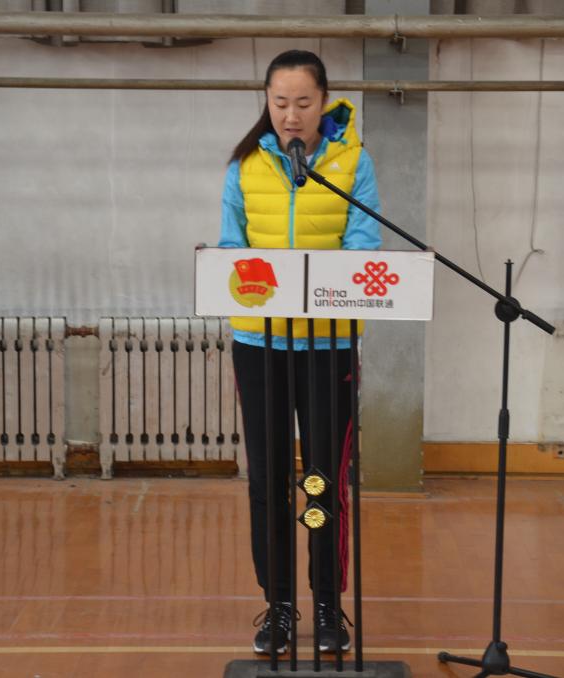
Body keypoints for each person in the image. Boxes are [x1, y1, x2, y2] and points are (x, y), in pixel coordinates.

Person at [218, 49, 381, 655]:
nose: (291, 115)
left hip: (326, 345)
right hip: (259, 344)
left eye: (303, 103)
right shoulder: (245, 166)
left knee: (322, 481)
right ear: (266, 102)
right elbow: (232, 249)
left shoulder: (352, 162)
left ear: (324, 102)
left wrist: (322, 281)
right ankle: (280, 605)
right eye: (280, 102)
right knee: (268, 480)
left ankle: (328, 604)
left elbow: (364, 245)